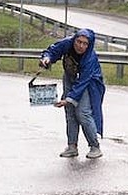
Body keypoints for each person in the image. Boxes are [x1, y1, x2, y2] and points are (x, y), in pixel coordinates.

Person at [39, 28, 106, 159]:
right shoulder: (67, 43)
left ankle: (94, 146)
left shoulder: (90, 58)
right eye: (78, 42)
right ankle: (72, 146)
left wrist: (69, 99)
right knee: (70, 112)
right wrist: (46, 59)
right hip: (70, 76)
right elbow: (52, 51)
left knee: (82, 112)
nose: (80, 46)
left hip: (88, 82)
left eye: (85, 44)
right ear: (74, 39)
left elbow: (83, 82)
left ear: (89, 44)